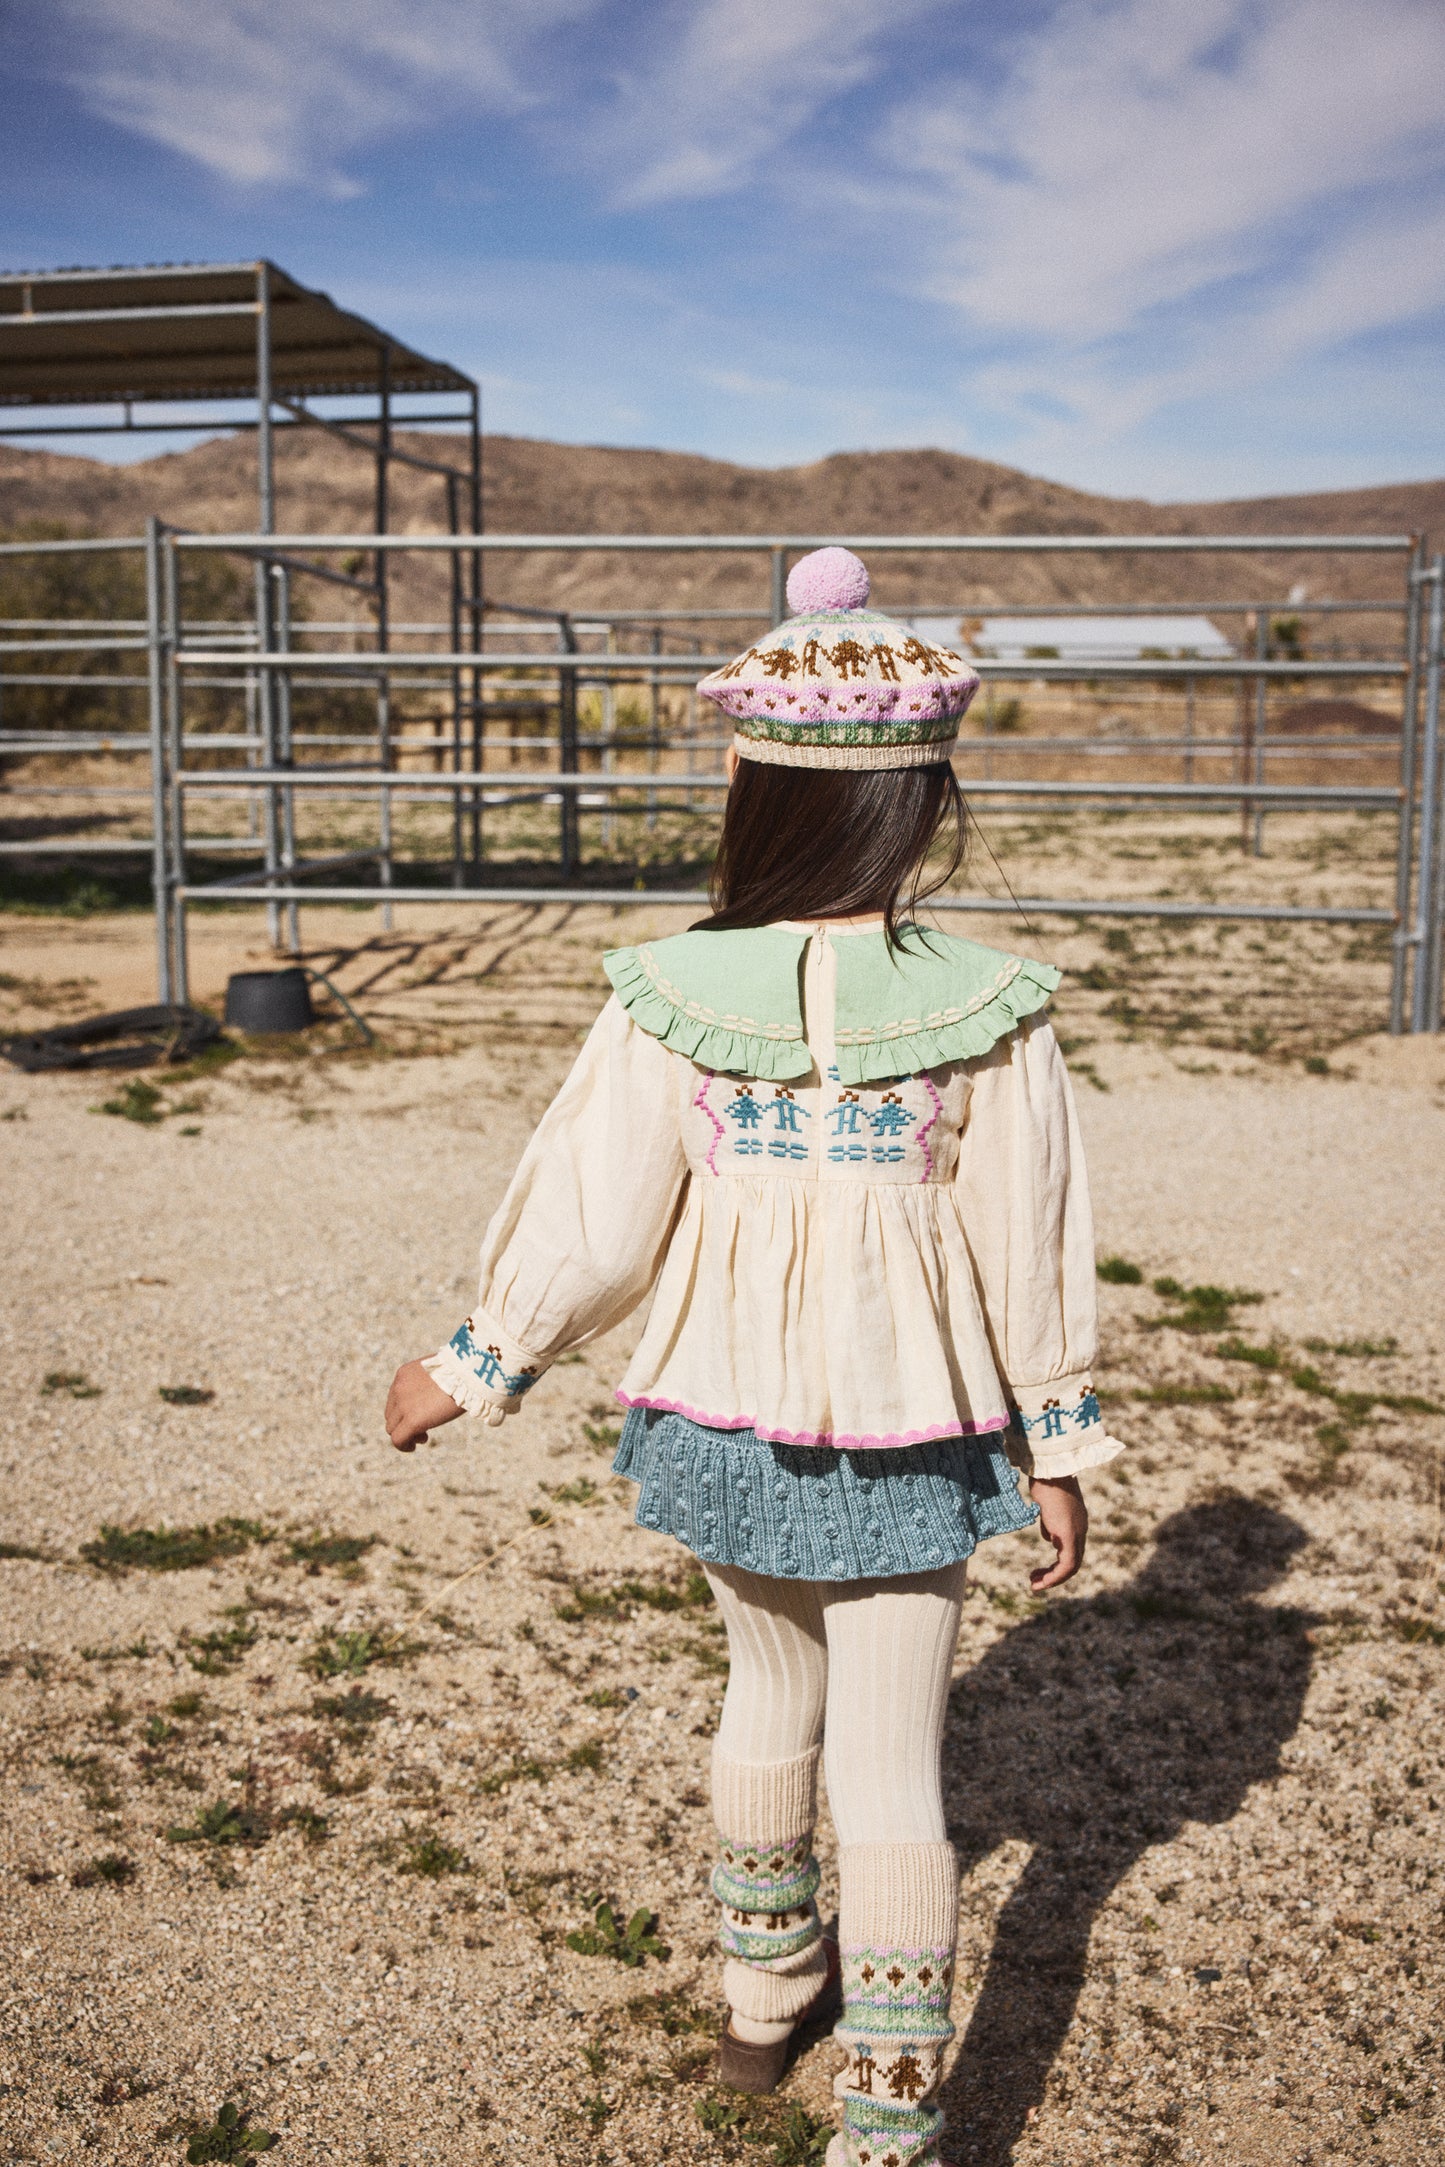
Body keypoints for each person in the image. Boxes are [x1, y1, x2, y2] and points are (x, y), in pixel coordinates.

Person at [385, 547, 1124, 2167]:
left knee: (762, 1702)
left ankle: (763, 1992)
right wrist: (1053, 1439)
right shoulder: (986, 1005)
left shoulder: (667, 992)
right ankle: (889, 2109)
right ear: (922, 800)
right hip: (914, 1432)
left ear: (749, 791)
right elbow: (1030, 1231)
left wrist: (479, 1358)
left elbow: (593, 1216)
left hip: (719, 1417)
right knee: (887, 1764)